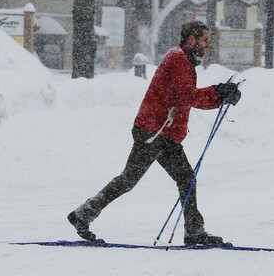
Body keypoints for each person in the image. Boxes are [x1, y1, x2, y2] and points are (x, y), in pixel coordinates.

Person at [68, 20, 241, 247]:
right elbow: (186, 96)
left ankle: (195, 232)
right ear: (192, 39)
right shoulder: (178, 59)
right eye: (205, 40)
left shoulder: (184, 59)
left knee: (185, 179)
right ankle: (83, 214)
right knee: (129, 179)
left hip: (164, 134)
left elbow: (183, 97)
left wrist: (219, 95)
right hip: (153, 132)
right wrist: (218, 94)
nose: (208, 45)